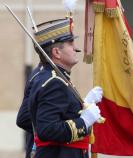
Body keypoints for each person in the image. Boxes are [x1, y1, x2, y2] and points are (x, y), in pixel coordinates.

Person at [25, 17, 103, 158]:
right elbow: (47, 128)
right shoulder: (54, 82)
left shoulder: (54, 78)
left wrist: (84, 104)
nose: (75, 48)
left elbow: (61, 114)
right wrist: (83, 122)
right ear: (56, 53)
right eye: (70, 43)